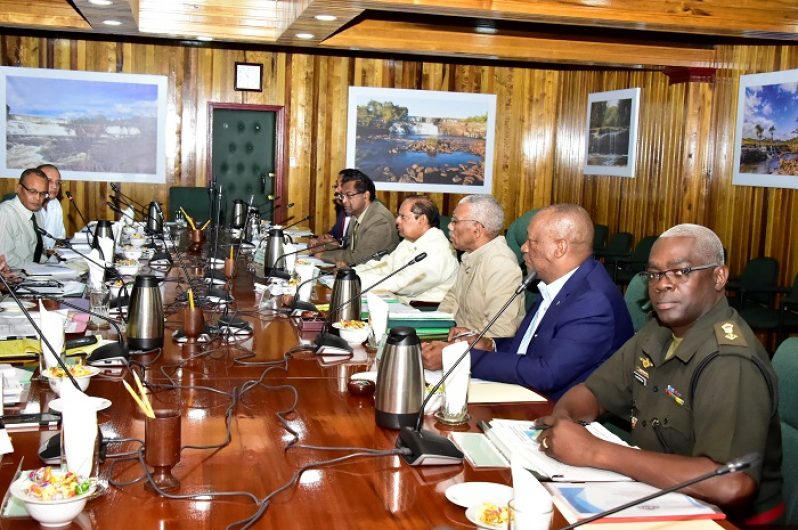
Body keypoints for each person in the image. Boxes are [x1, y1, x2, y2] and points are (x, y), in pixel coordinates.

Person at [536, 224, 782, 524]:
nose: (662, 284)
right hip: (653, 493)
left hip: (720, 519)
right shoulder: (660, 331)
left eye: (680, 272)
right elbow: (592, 393)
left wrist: (595, 451)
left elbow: (731, 483)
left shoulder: (730, 360)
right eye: (654, 274)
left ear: (719, 277)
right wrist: (565, 422)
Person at [423, 203, 633, 399]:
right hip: (528, 396)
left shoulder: (592, 301)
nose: (523, 248)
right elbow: (529, 347)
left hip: (557, 412)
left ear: (559, 248)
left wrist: (461, 359)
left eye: (532, 241)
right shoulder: (561, 283)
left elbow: (546, 373)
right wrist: (490, 345)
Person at [430, 195, 524, 338]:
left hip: (476, 351)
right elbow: (452, 300)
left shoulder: (500, 263)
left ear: (477, 230)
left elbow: (500, 331)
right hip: (456, 341)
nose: (449, 226)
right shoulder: (471, 255)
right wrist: (433, 331)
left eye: (455, 221)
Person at [353, 196, 458, 304]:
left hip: (423, 312)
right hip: (400, 304)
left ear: (422, 220)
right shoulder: (409, 241)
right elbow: (385, 266)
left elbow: (402, 284)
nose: (397, 221)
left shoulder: (437, 251)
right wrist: (351, 273)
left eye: (403, 217)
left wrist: (355, 282)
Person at [317, 169, 399, 266]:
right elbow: (350, 249)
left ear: (365, 195)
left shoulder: (380, 220)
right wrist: (324, 246)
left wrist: (322, 255)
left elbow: (359, 258)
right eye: (343, 196)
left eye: (349, 195)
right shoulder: (356, 214)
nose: (344, 201)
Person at [0, 168, 49, 268]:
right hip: (14, 276)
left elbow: (35, 252)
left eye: (43, 194)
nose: (38, 198)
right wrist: (39, 268)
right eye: (32, 191)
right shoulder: (5, 213)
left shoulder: (37, 212)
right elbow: (5, 258)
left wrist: (52, 265)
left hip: (31, 273)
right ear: (18, 189)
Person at [309, 170, 350, 248]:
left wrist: (339, 245)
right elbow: (333, 234)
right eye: (335, 186)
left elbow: (358, 251)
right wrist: (320, 239)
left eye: (338, 185)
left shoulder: (367, 215)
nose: (336, 190)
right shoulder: (343, 211)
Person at [37, 163, 66, 250]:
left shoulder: (55, 203)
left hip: (50, 258)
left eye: (58, 182)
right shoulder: (28, 206)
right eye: (49, 181)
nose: (55, 186)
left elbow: (59, 238)